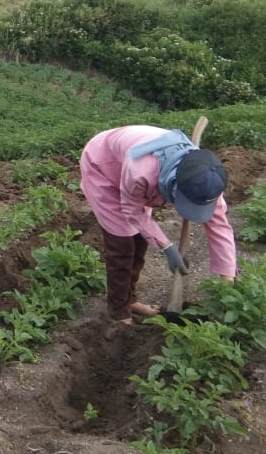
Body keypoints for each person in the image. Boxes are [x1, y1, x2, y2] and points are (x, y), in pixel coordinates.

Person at [79, 124, 236, 324]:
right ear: (174, 186)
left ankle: (131, 299)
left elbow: (220, 228)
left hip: (141, 175)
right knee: (122, 244)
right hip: (102, 166)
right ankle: (120, 313)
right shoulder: (142, 170)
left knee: (141, 239)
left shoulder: (208, 180)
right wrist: (167, 247)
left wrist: (227, 283)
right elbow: (132, 210)